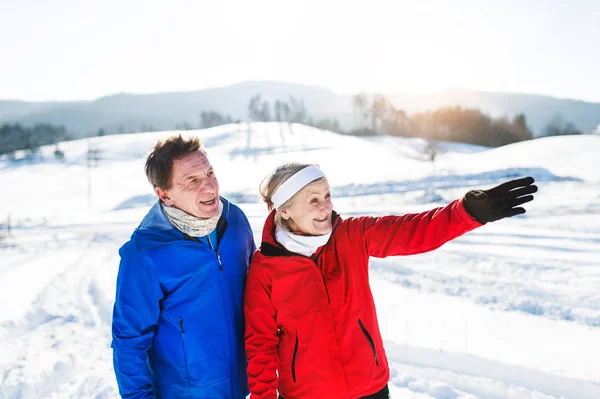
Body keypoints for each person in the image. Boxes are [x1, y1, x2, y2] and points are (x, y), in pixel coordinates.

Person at [244, 163, 537, 399]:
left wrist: (466, 213)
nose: (326, 208)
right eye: (314, 201)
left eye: (328, 196)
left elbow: (413, 231)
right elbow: (260, 343)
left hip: (369, 387)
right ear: (284, 210)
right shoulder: (265, 267)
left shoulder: (351, 235)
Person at [111, 135, 255, 399]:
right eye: (193, 180)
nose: (210, 187)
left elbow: (259, 295)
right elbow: (129, 343)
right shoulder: (144, 255)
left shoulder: (235, 220)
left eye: (210, 173)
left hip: (245, 387)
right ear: (164, 194)